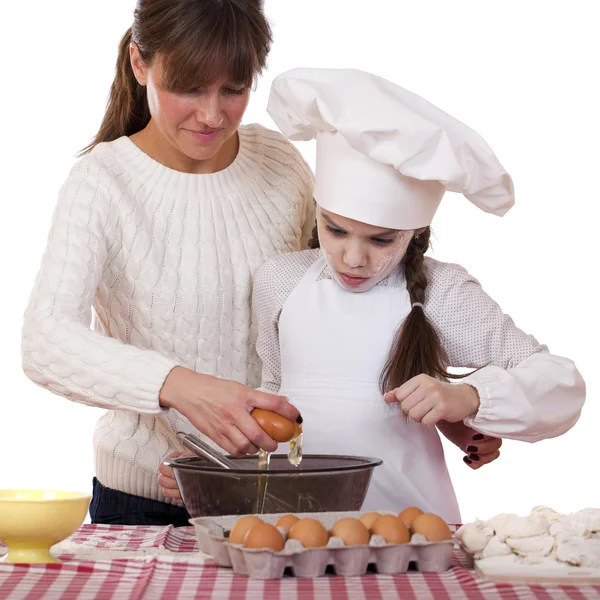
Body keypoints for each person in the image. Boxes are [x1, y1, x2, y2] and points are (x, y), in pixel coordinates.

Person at [20, 0, 314, 526]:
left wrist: (431, 405)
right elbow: (44, 341)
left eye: (234, 89)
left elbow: (339, 303)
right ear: (140, 64)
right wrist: (181, 387)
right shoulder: (104, 182)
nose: (212, 114)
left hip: (271, 494)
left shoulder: (281, 164)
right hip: (144, 501)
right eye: (190, 88)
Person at [250, 68, 586, 523]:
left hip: (413, 528)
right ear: (318, 212)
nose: (353, 258)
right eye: (335, 229)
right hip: (290, 522)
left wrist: (466, 399)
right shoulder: (279, 281)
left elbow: (561, 386)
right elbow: (274, 393)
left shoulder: (443, 292)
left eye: (381, 240)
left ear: (414, 232)